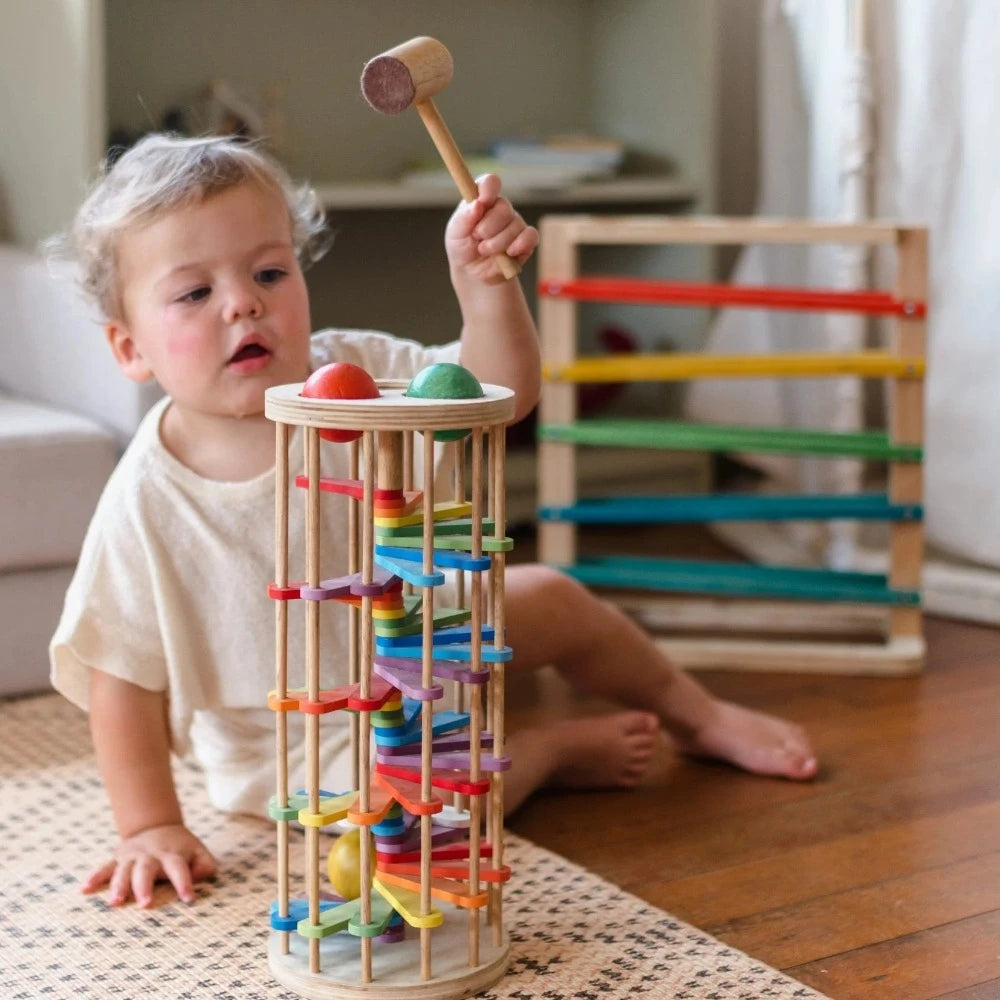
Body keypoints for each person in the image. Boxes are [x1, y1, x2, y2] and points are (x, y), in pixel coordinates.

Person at [50, 134, 817, 911]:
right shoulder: (147, 498)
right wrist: (147, 824)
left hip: (424, 646)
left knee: (553, 593)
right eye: (193, 294)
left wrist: (485, 288)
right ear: (129, 348)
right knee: (412, 814)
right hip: (302, 744)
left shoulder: (356, 374)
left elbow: (495, 395)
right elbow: (120, 676)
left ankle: (700, 715)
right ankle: (544, 755)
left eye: (269, 272)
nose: (243, 302)